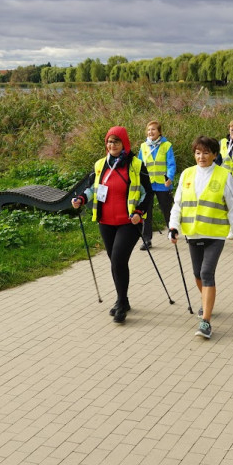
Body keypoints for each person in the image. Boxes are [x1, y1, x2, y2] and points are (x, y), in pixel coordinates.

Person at [72, 126, 153, 323]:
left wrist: (139, 212)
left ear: (124, 143)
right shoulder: (101, 164)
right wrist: (82, 199)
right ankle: (123, 300)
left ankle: (121, 303)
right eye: (109, 141)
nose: (112, 145)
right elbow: (92, 188)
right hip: (106, 221)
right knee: (116, 262)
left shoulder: (135, 165)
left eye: (116, 142)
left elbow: (147, 194)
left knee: (117, 259)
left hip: (129, 222)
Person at [169, 136, 233, 340]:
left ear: (214, 154)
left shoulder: (223, 175)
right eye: (197, 152)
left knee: (206, 272)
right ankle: (207, 303)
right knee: (197, 273)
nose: (201, 157)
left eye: (205, 152)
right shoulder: (187, 173)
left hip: (215, 234)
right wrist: (173, 226)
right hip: (193, 233)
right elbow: (178, 204)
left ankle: (206, 322)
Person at [137, 120, 176, 251]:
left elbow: (171, 164)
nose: (150, 132)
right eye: (148, 130)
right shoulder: (143, 146)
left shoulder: (166, 145)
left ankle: (172, 230)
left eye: (153, 129)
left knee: (167, 209)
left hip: (162, 183)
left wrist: (170, 177)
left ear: (159, 132)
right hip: (148, 184)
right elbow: (139, 165)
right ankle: (147, 239)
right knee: (146, 212)